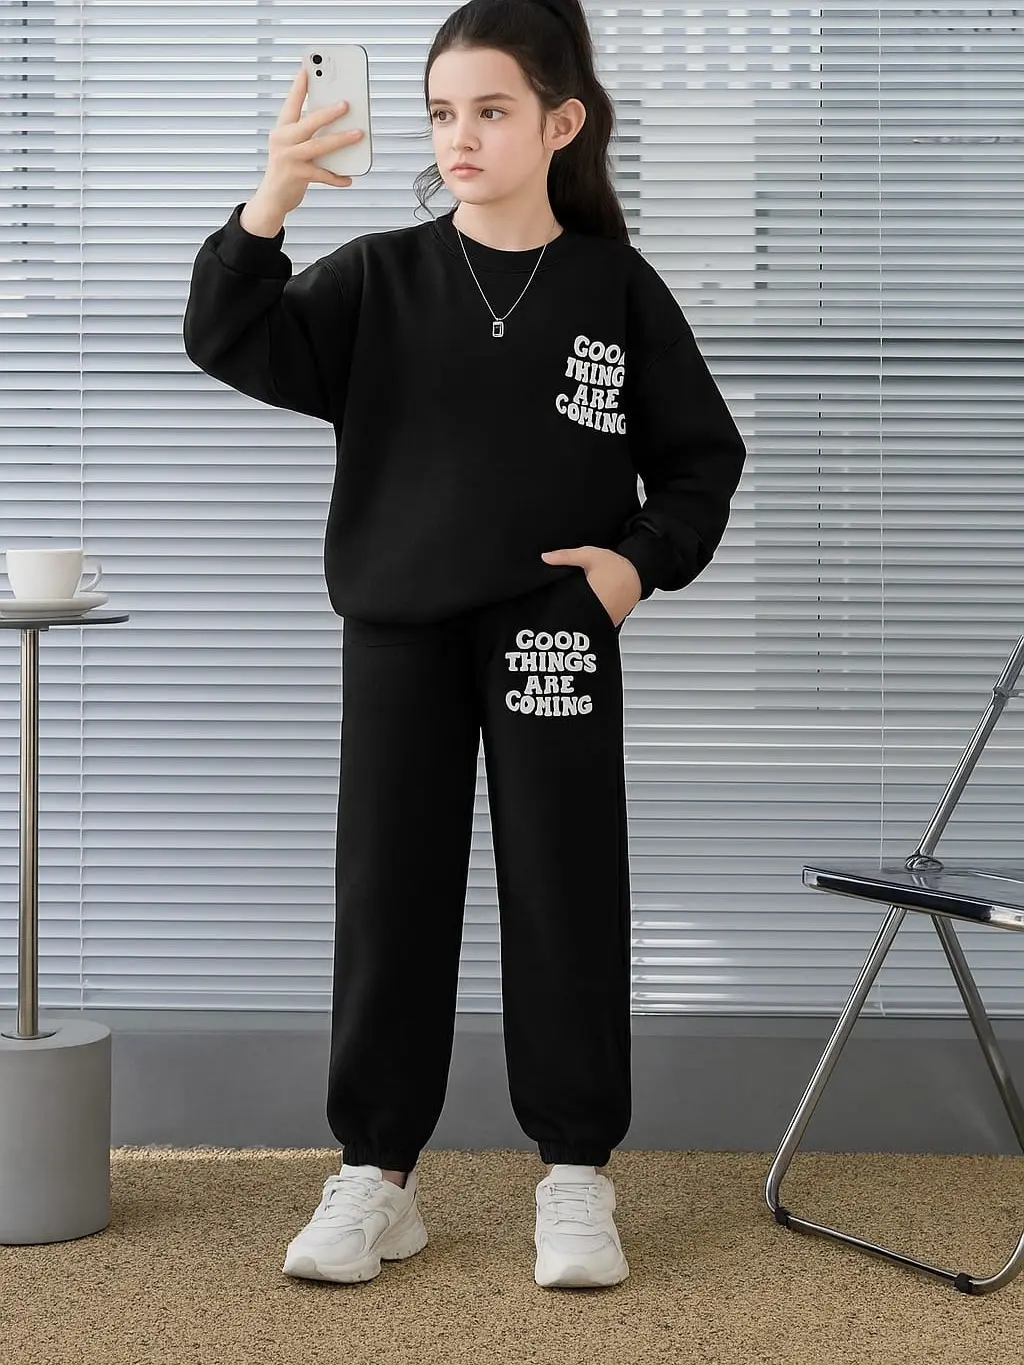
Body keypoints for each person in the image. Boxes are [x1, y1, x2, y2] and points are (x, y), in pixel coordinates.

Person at [183, 0, 745, 1292]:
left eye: (491, 111)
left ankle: (576, 1175)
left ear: (561, 122)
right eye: (443, 113)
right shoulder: (378, 278)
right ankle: (376, 1178)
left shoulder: (616, 287)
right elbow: (228, 336)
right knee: (390, 894)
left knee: (566, 888)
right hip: (398, 632)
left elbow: (703, 460)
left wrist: (634, 568)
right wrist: (274, 195)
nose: (460, 137)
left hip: (554, 632)